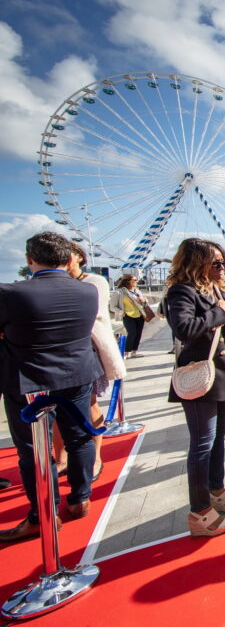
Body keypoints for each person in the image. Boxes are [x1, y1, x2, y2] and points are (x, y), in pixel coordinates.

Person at [0, 232, 104, 542]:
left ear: (29, 260)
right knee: (80, 438)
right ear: (70, 259)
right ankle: (80, 497)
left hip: (29, 382)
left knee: (33, 450)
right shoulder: (87, 292)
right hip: (77, 376)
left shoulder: (11, 294)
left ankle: (43, 514)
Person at [166, 239, 225, 537]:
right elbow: (184, 328)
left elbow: (221, 331)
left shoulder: (217, 290)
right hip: (200, 375)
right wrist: (220, 310)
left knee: (218, 436)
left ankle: (215, 489)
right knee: (202, 442)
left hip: (223, 372)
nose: (223, 268)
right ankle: (199, 512)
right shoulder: (182, 291)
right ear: (197, 264)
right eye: (216, 263)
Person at [53, 243, 125, 481]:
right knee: (55, 406)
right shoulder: (55, 282)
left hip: (88, 349)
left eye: (68, 255)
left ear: (79, 258)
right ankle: (61, 458)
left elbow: (90, 312)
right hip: (58, 352)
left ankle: (95, 456)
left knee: (90, 402)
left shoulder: (95, 282)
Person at [113, 273, 150, 358]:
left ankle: (134, 351)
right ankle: (126, 352)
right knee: (132, 333)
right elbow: (112, 306)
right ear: (127, 281)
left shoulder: (137, 291)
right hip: (127, 315)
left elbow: (144, 302)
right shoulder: (119, 292)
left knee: (138, 333)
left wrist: (143, 300)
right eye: (134, 280)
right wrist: (122, 312)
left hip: (140, 315)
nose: (136, 281)